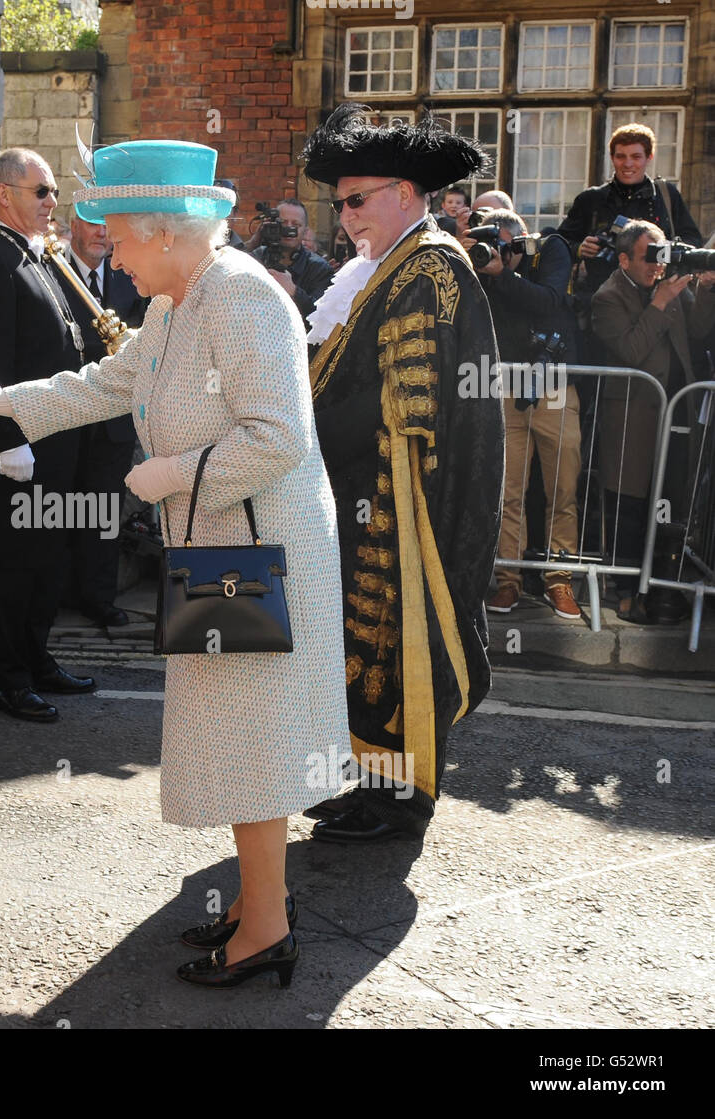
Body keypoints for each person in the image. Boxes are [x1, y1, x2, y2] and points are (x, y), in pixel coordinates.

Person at [0, 139, 350, 990]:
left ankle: (267, 924)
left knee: (253, 733)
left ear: (166, 232)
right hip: (221, 542)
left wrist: (175, 473)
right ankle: (256, 900)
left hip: (255, 549)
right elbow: (103, 383)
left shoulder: (239, 298)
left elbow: (281, 437)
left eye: (119, 234)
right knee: (236, 730)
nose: (111, 252)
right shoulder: (175, 300)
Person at [300, 104, 504, 843]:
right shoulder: (386, 266)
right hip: (366, 490)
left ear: (408, 194)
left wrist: (305, 430)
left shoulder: (429, 267)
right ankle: (370, 780)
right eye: (340, 201)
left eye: (359, 198)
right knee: (362, 644)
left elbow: (406, 406)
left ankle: (402, 799)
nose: (346, 214)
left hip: (407, 500)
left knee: (399, 639)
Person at [0, 148, 99, 723]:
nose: (51, 201)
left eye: (52, 192)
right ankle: (7, 679)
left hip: (52, 435)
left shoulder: (33, 254)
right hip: (15, 446)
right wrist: (7, 439)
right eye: (40, 191)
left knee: (45, 557)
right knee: (13, 564)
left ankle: (36, 660)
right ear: (4, 194)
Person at [590, 219, 715, 622]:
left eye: (662, 255)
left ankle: (661, 591)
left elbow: (697, 331)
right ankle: (624, 591)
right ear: (625, 258)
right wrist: (660, 303)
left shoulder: (670, 287)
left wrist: (705, 290)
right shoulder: (608, 296)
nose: (657, 266)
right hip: (633, 414)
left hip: (675, 412)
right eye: (649, 257)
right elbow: (631, 349)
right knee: (629, 503)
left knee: (668, 501)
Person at [463, 210, 584, 621]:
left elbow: (549, 301)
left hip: (553, 385)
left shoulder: (549, 250)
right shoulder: (484, 269)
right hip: (506, 387)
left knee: (561, 488)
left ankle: (558, 577)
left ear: (518, 241)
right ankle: (508, 579)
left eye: (502, 247)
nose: (496, 254)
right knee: (508, 490)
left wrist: (504, 276)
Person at [59, 209, 148, 628]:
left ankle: (98, 597)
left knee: (103, 509)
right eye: (90, 222)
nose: (100, 233)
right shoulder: (51, 270)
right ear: (71, 226)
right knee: (58, 507)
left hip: (112, 416)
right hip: (67, 413)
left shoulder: (128, 275)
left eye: (106, 225)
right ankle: (57, 594)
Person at [559, 123, 703, 301]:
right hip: (602, 297)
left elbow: (693, 241)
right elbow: (559, 243)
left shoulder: (666, 195)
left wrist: (661, 251)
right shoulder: (591, 199)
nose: (627, 164)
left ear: (649, 157)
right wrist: (580, 248)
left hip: (659, 296)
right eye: (621, 156)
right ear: (612, 157)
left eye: (636, 157)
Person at [249, 198, 334, 330]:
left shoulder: (319, 268)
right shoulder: (256, 258)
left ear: (305, 231)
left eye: (296, 225)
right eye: (283, 223)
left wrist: (293, 291)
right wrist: (254, 241)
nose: (288, 228)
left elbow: (322, 317)